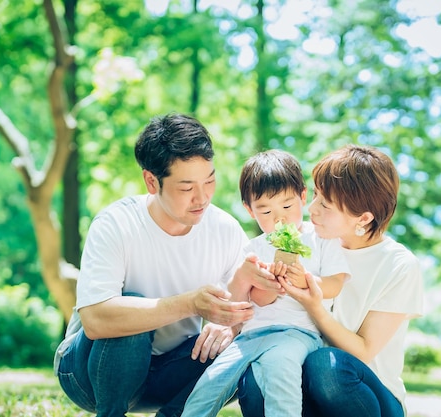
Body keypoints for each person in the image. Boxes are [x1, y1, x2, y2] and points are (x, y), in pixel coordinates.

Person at [53, 113, 279, 417]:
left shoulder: (224, 229)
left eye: (209, 181)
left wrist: (232, 328)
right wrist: (191, 304)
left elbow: (258, 310)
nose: (202, 198)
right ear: (151, 181)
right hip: (90, 375)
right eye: (186, 188)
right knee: (130, 309)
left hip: (170, 374)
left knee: (245, 348)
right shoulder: (116, 224)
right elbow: (95, 320)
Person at [237, 144, 425, 417]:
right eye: (315, 195)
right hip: (307, 385)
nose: (311, 209)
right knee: (257, 379)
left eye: (325, 204)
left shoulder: (399, 265)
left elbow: (363, 351)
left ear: (362, 218)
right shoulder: (305, 241)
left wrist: (313, 304)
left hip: (368, 395)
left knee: (325, 365)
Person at [180, 149, 351, 417]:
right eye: (266, 210)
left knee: (280, 370)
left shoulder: (320, 239)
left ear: (303, 197)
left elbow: (335, 284)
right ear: (249, 210)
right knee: (211, 383)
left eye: (287, 206)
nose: (279, 218)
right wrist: (270, 284)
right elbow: (257, 300)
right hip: (251, 335)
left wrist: (306, 281)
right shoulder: (253, 249)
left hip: (296, 333)